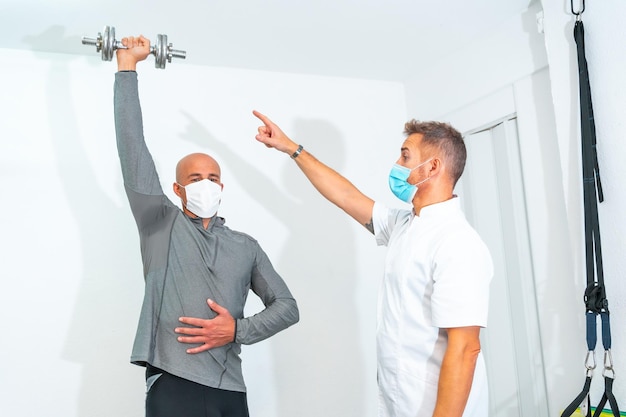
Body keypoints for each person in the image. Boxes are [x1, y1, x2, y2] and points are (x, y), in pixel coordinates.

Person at [252, 110, 493, 417]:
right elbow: (346, 196)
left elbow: (465, 350)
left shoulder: (456, 243)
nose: (397, 165)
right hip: (401, 404)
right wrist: (292, 148)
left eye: (405, 157)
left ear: (432, 166)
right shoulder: (406, 225)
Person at [113, 35, 299, 417]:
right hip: (172, 380)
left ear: (222, 186)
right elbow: (133, 147)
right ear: (178, 189)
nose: (205, 184)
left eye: (212, 177)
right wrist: (127, 68)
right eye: (195, 178)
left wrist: (237, 331)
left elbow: (287, 307)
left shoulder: (245, 246)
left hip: (230, 388)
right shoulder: (160, 224)